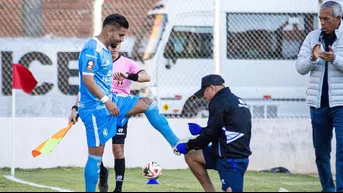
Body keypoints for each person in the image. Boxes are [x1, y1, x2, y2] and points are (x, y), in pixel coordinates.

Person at [73, 13, 180, 192]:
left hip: (113, 101)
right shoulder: (92, 49)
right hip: (95, 110)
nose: (122, 39)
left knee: (148, 103)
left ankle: (176, 144)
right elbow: (87, 81)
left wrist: (111, 98)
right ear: (109, 31)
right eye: (121, 35)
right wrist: (101, 102)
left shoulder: (107, 50)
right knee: (95, 157)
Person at [70, 42, 150, 192]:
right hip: (101, 111)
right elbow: (86, 87)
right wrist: (75, 107)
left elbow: (146, 77)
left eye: (118, 44)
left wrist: (129, 76)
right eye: (112, 44)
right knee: (98, 152)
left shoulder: (127, 63)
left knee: (118, 149)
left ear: (120, 45)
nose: (114, 47)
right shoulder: (99, 62)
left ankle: (118, 189)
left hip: (120, 110)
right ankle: (103, 173)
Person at [295, 1, 343, 192]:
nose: (322, 22)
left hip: (341, 105)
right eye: (320, 18)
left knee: (342, 151)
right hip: (317, 105)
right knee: (321, 153)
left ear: (338, 19)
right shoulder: (312, 37)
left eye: (326, 19)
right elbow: (299, 67)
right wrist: (313, 58)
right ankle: (328, 189)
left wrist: (335, 59)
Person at [175, 74, 252, 192]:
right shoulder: (234, 99)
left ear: (211, 88)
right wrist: (202, 130)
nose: (204, 97)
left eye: (204, 93)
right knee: (192, 156)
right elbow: (223, 128)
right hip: (228, 153)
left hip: (231, 159)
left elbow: (210, 135)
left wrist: (188, 145)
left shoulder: (218, 102)